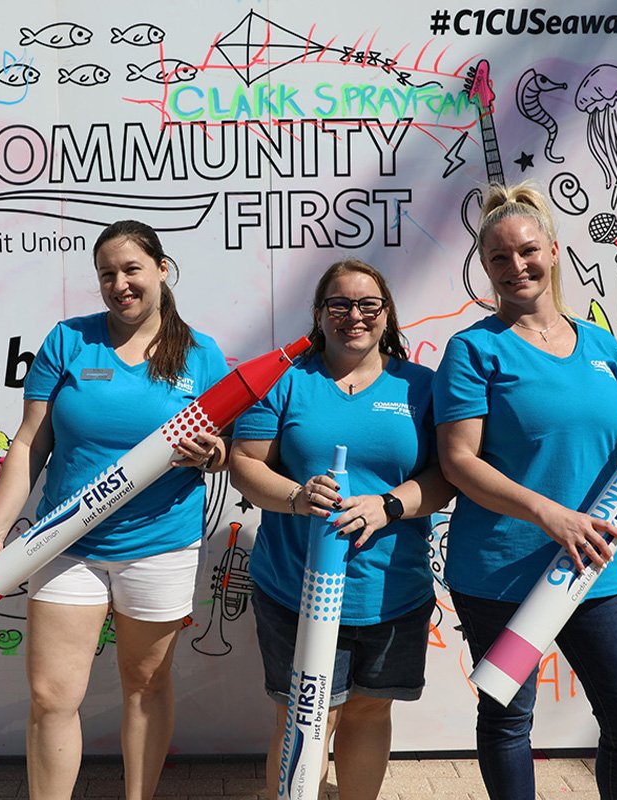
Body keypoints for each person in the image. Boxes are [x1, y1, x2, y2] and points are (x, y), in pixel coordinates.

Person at [0, 220, 229, 800]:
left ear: (162, 269)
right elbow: (30, 442)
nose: (120, 284)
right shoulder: (68, 340)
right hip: (65, 545)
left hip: (160, 545)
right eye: (107, 274)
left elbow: (228, 451)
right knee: (52, 696)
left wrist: (214, 455)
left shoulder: (203, 355)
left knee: (145, 685)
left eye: (132, 269)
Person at [433, 183, 617, 800]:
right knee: (509, 719)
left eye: (528, 252)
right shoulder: (474, 350)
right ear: (484, 266)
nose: (516, 268)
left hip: (592, 564)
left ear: (554, 251)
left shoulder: (599, 344)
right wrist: (549, 515)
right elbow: (458, 462)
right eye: (499, 259)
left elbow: (599, 443)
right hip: (500, 568)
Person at [229, 259, 453, 800]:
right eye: (340, 304)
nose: (354, 315)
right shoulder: (286, 380)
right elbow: (245, 462)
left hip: (391, 592)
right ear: (320, 313)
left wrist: (388, 506)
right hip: (295, 589)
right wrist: (297, 497)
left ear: (387, 315)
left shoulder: (421, 385)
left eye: (368, 305)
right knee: (302, 719)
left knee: (370, 714)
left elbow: (447, 476)